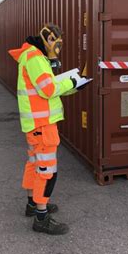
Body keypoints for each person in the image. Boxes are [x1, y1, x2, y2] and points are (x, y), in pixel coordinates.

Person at [9, 23, 88, 234]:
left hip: (36, 124)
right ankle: (41, 218)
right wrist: (71, 82)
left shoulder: (34, 56)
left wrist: (74, 86)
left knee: (34, 165)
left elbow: (49, 89)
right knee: (47, 171)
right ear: (48, 39)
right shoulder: (35, 58)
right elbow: (49, 89)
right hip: (42, 126)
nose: (57, 48)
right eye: (56, 43)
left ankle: (32, 204)